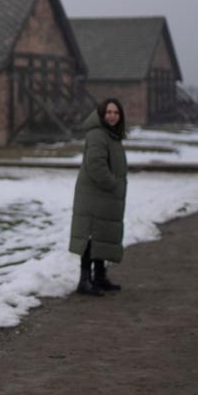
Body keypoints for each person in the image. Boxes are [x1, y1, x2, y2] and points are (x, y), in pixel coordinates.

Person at [70, 99, 129, 296]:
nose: (112, 115)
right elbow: (95, 165)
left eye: (116, 113)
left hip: (103, 196)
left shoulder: (111, 135)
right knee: (90, 235)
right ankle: (84, 280)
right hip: (94, 195)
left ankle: (100, 277)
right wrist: (111, 184)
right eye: (109, 112)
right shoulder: (98, 134)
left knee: (101, 235)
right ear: (102, 114)